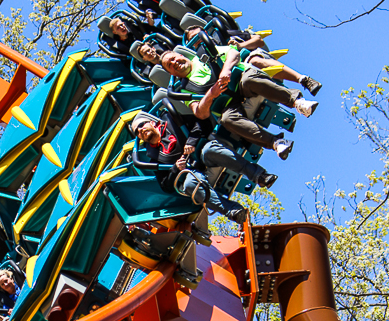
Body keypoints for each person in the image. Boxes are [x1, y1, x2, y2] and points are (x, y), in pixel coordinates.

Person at [160, 48, 320, 160]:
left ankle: (297, 102)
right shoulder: (183, 89)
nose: (175, 62)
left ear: (180, 55)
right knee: (227, 119)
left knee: (249, 79)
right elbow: (200, 113)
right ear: (171, 73)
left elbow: (233, 53)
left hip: (240, 81)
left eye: (174, 58)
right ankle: (276, 142)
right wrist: (211, 94)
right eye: (170, 65)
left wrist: (226, 69)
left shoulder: (204, 52)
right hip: (227, 102)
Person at [131, 111, 278, 224]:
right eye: (137, 132)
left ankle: (259, 176)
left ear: (151, 122)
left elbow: (201, 123)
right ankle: (233, 211)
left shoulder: (173, 120)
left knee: (212, 150)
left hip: (201, 153)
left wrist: (191, 141)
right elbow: (165, 185)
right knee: (189, 184)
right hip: (190, 173)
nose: (140, 131)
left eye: (141, 125)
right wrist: (175, 168)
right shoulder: (154, 158)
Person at [185, 25, 322, 96]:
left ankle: (303, 79)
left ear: (206, 34)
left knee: (254, 61)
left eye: (199, 36)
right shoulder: (199, 61)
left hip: (247, 58)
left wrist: (239, 46)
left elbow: (258, 40)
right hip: (234, 79)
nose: (199, 41)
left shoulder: (222, 35)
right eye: (194, 41)